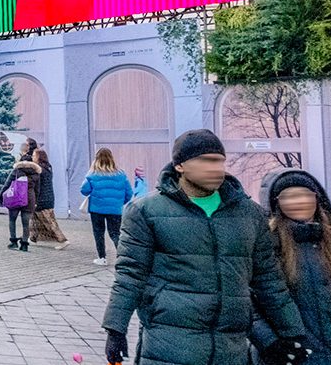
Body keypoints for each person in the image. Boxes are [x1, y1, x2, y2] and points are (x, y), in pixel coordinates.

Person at [102, 129, 309, 365]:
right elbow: (130, 275)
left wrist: (293, 332)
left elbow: (268, 279)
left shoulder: (249, 213)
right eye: (206, 161)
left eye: (220, 161)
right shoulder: (145, 211)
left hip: (230, 347)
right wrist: (115, 329)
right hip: (169, 343)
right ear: (180, 166)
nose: (215, 168)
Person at [252, 170, 331, 365]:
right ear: (277, 202)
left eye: (305, 195)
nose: (299, 201)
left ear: (317, 199)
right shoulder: (265, 245)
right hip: (292, 353)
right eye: (289, 197)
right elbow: (250, 305)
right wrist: (269, 343)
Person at [79, 147, 132, 266]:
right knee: (115, 233)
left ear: (96, 159)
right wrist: (119, 202)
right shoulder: (121, 174)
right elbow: (129, 193)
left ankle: (102, 258)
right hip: (115, 210)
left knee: (98, 233)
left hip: (97, 209)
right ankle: (123, 258)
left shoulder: (93, 174)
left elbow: (84, 190)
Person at [28, 148, 70, 250]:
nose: (32, 157)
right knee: (34, 219)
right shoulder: (47, 168)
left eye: (34, 155)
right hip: (47, 198)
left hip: (42, 199)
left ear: (39, 157)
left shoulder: (39, 169)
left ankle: (63, 240)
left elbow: (37, 185)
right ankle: (32, 238)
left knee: (49, 221)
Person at [1, 155, 41, 252]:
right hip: (29, 199)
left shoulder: (16, 171)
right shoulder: (36, 173)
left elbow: (7, 184)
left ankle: (14, 242)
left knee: (12, 220)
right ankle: (24, 245)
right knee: (26, 223)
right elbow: (37, 190)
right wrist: (36, 201)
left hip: (15, 197)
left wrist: (1, 196)